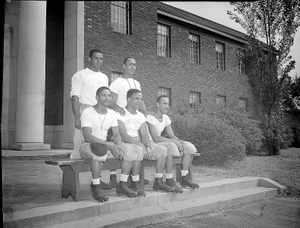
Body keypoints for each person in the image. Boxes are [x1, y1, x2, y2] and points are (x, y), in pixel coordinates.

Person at [80, 86, 144, 202]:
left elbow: (116, 134)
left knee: (129, 151)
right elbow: (87, 136)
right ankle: (96, 186)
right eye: (104, 95)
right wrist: (109, 145)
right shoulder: (88, 112)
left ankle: (122, 184)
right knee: (99, 151)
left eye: (109, 96)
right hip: (87, 145)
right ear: (97, 97)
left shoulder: (111, 114)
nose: (107, 98)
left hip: (104, 145)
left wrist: (119, 145)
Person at [117, 89, 177, 193]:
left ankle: (158, 181)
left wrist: (148, 146)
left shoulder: (140, 116)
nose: (139, 101)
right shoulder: (121, 113)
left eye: (141, 99)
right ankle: (124, 184)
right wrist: (140, 145)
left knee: (162, 150)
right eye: (137, 98)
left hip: (138, 142)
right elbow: (123, 135)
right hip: (124, 142)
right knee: (136, 151)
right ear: (128, 99)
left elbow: (144, 134)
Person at [69, 49, 113, 189]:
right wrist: (77, 117)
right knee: (79, 148)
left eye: (101, 59)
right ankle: (72, 183)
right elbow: (75, 97)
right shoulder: (79, 75)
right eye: (96, 58)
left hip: (99, 113)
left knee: (99, 145)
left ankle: (97, 181)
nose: (99, 61)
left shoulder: (104, 77)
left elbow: (105, 97)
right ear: (89, 59)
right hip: (85, 111)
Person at [108, 57, 148, 185]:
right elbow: (111, 101)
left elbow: (140, 100)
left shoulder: (136, 83)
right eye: (130, 64)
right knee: (121, 143)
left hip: (134, 117)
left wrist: (145, 113)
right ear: (124, 66)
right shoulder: (117, 82)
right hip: (121, 117)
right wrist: (118, 108)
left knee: (137, 144)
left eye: (135, 65)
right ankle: (113, 177)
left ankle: (135, 178)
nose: (133, 67)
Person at [146, 95, 200, 189]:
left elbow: (172, 136)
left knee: (189, 147)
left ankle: (184, 178)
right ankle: (169, 179)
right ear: (158, 104)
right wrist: (174, 142)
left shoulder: (166, 118)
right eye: (164, 103)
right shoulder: (150, 118)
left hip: (160, 142)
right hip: (152, 143)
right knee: (171, 146)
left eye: (168, 103)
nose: (167, 106)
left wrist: (180, 142)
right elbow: (155, 137)